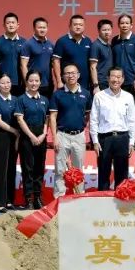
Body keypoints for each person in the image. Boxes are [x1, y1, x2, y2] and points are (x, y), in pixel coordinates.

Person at [90, 67, 135, 190]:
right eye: (113, 76)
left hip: (122, 138)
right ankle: (102, 199)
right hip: (104, 139)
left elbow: (132, 121)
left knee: (122, 176)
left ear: (123, 79)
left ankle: (121, 200)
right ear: (108, 78)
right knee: (103, 173)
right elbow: (93, 120)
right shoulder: (99, 96)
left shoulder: (128, 97)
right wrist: (95, 141)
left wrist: (131, 142)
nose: (116, 80)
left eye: (118, 77)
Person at [49, 63, 91, 196]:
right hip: (62, 135)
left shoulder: (86, 93)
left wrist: (82, 127)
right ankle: (59, 198)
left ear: (78, 75)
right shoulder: (57, 94)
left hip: (79, 136)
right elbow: (53, 117)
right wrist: (54, 138)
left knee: (78, 170)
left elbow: (88, 114)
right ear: (62, 76)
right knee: (60, 170)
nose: (70, 75)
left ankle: (79, 197)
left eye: (73, 73)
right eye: (67, 73)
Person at [15, 71, 51, 209]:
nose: (34, 83)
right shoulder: (21, 99)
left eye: (36, 81)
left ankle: (37, 197)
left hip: (41, 137)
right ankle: (28, 198)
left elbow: (47, 119)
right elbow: (20, 119)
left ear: (40, 82)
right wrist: (31, 136)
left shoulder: (45, 100)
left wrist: (43, 134)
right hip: (27, 137)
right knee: (28, 168)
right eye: (31, 80)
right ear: (26, 82)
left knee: (39, 169)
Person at [0, 74, 20, 211]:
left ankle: (9, 200)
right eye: (2, 83)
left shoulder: (16, 100)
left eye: (8, 82)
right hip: (1, 137)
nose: (6, 85)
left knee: (11, 167)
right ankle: (0, 202)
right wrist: (14, 131)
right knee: (1, 168)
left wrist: (17, 135)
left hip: (14, 137)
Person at [53, 14, 92, 91]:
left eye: (81, 25)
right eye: (75, 24)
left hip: (85, 83)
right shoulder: (62, 41)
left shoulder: (88, 41)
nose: (78, 27)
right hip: (68, 82)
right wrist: (59, 81)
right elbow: (56, 62)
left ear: (84, 26)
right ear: (70, 26)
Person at [0, 13, 25, 97]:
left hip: (20, 83)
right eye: (8, 23)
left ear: (18, 25)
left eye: (13, 22)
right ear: (4, 25)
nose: (11, 25)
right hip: (3, 83)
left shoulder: (24, 42)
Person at [111, 15, 135, 97]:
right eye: (122, 23)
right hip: (117, 81)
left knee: (134, 104)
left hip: (133, 81)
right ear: (118, 25)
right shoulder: (114, 40)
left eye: (127, 23)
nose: (124, 25)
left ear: (131, 25)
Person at [20, 17, 55, 98]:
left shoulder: (51, 44)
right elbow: (23, 65)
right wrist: (27, 84)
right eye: (39, 27)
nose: (42, 30)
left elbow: (53, 64)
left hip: (48, 84)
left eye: (44, 27)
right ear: (34, 28)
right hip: (33, 85)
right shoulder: (28, 44)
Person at [89, 18, 114, 93]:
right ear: (99, 30)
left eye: (109, 30)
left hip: (109, 82)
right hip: (100, 83)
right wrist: (96, 85)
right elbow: (92, 67)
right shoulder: (96, 45)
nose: (107, 32)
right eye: (104, 30)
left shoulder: (109, 45)